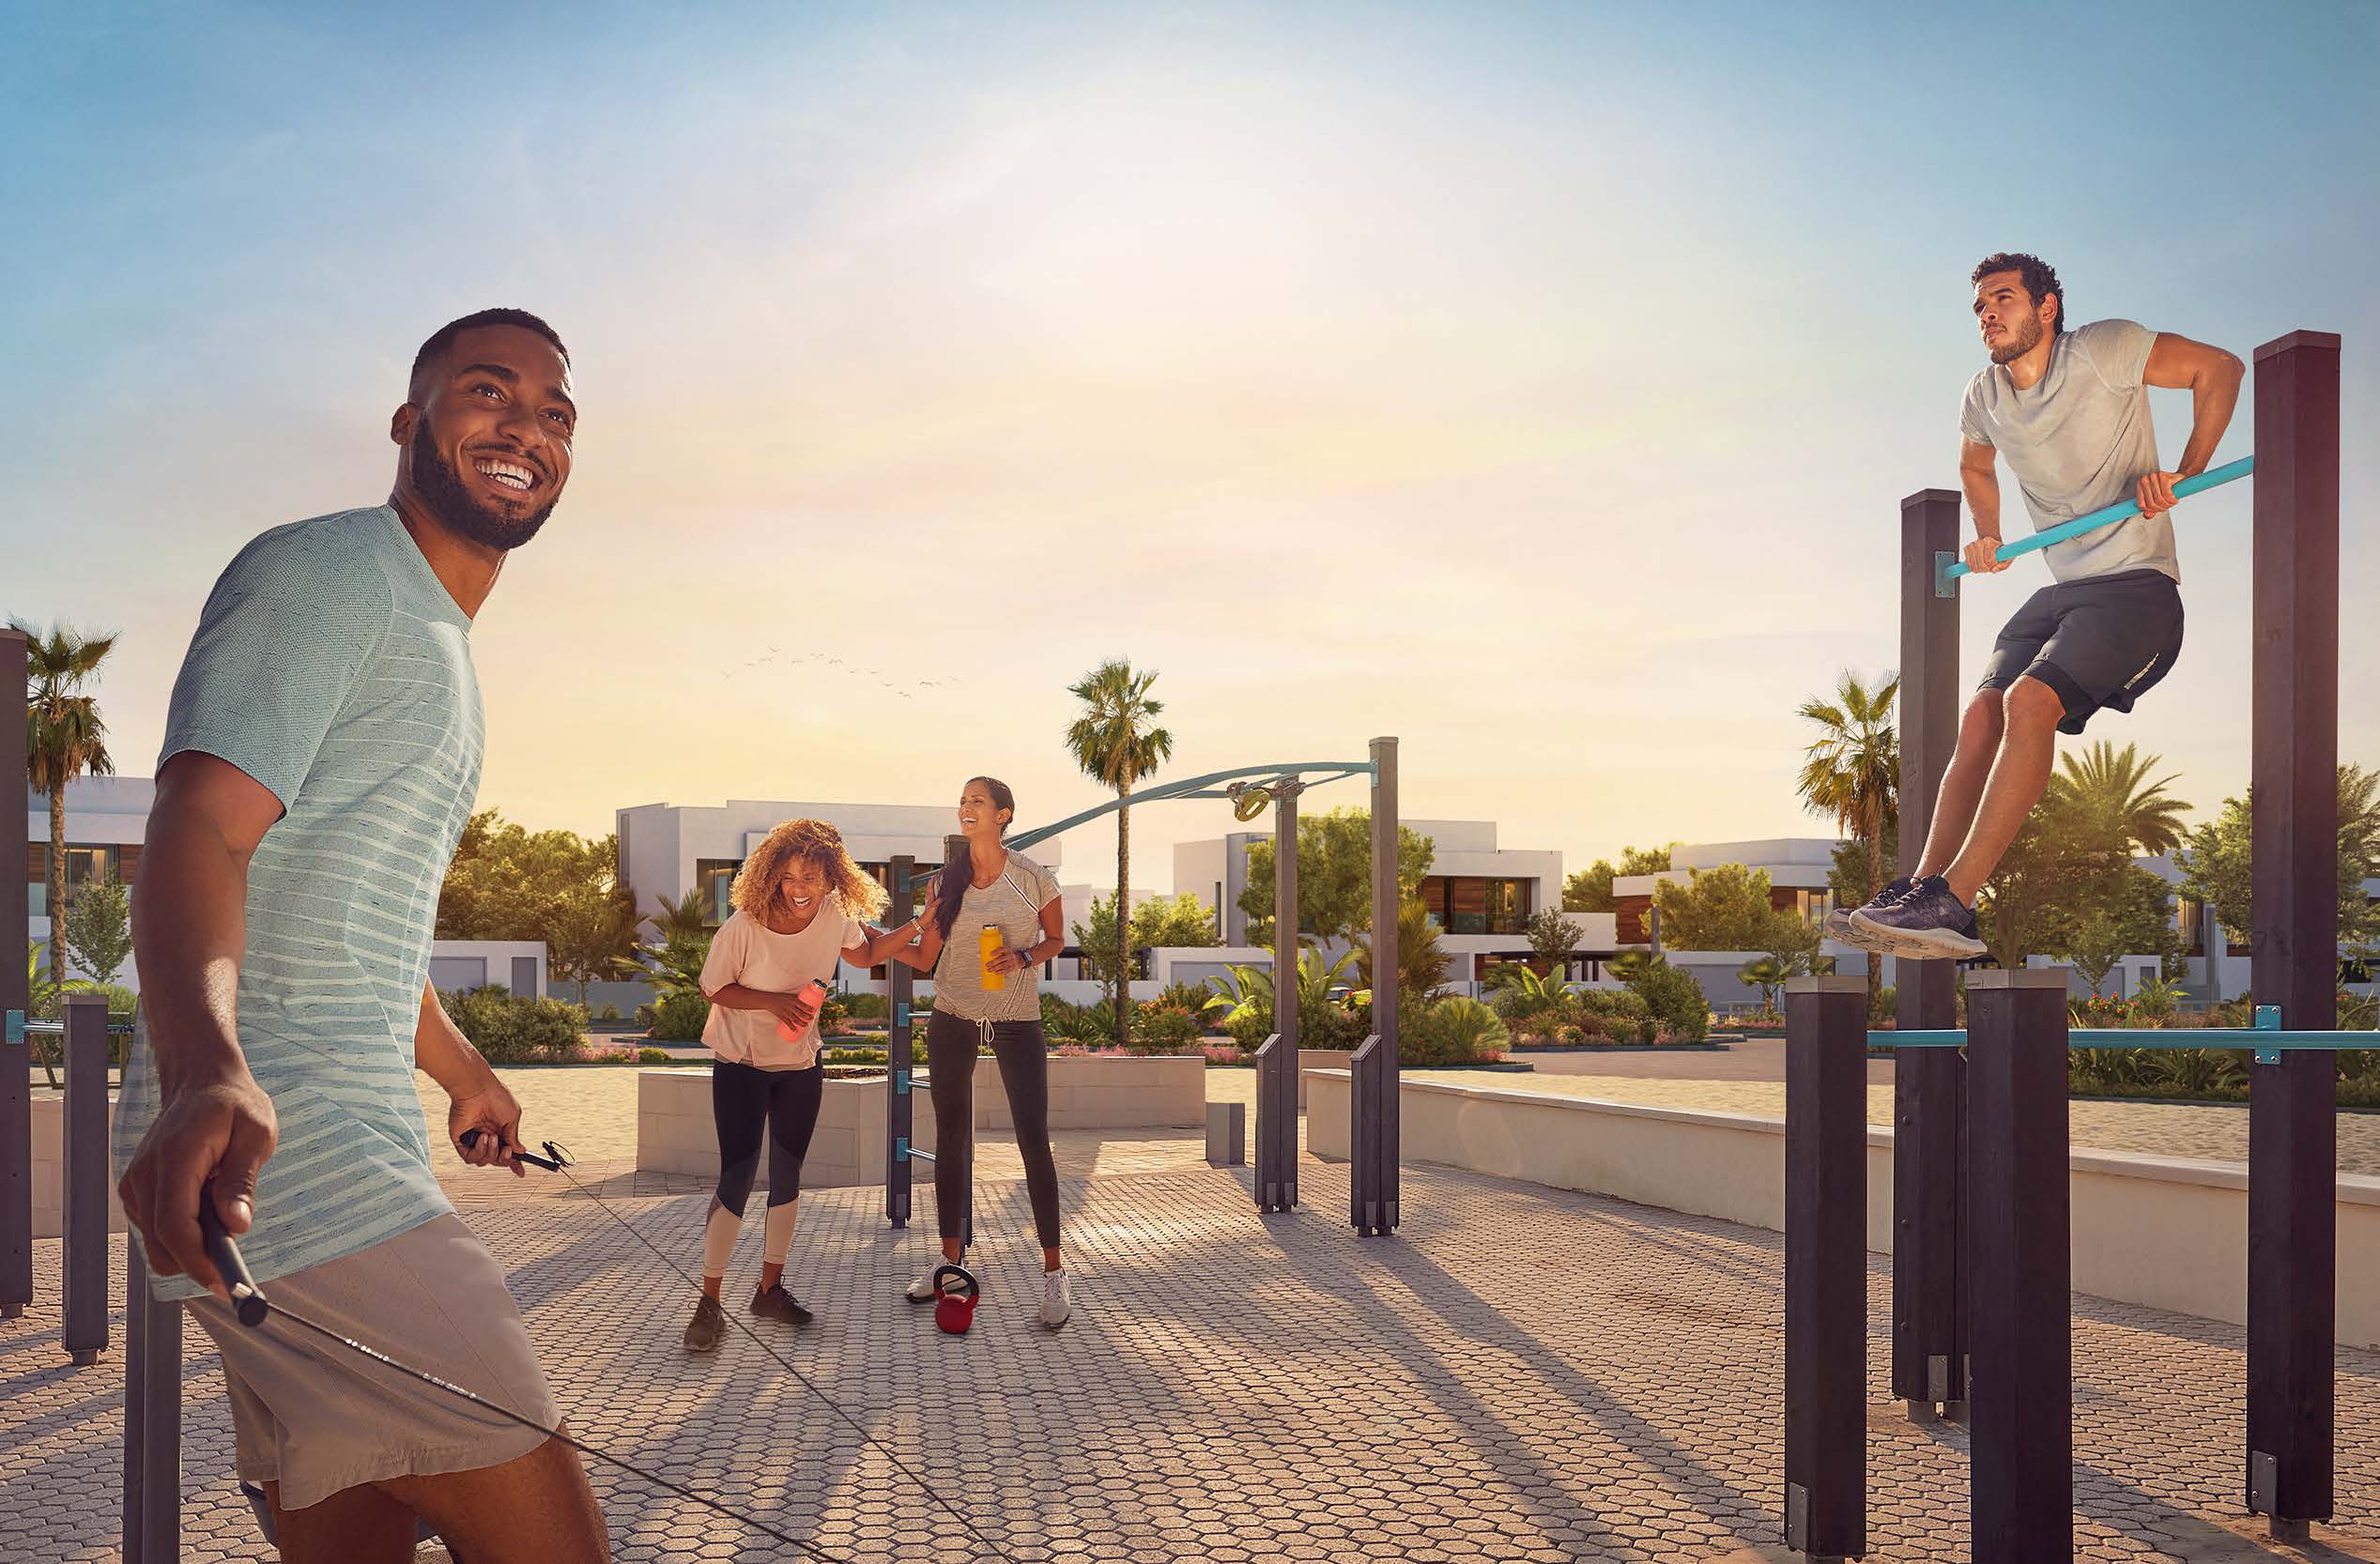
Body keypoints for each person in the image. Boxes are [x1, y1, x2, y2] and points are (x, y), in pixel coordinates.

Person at [112, 310, 611, 1561]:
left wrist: (463, 1072)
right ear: (410, 421)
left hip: (308, 1156)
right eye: (485, 391)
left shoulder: (440, 643)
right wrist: (205, 1066)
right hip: (293, 1163)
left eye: (554, 412)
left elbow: (343, 914)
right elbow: (200, 825)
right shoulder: (329, 574)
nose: (524, 426)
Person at [1842, 254, 2243, 960]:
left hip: (2136, 588)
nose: (1987, 314)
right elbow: (1974, 464)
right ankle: (1921, 886)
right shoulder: (1983, 394)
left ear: (2046, 307)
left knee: (2029, 703)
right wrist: (1989, 531)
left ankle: (1955, 902)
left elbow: (2221, 368)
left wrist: (2186, 471)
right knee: (1981, 713)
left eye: (2002, 298)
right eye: (1979, 306)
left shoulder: (2103, 349)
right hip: (2062, 589)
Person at [683, 819, 927, 1352]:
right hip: (741, 1065)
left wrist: (919, 926)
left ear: (831, 879)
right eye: (790, 875)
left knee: (788, 1173)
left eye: (811, 877)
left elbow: (863, 955)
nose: (799, 887)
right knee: (739, 1175)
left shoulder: (835, 915)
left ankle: (769, 1289)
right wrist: (772, 1001)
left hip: (799, 1065)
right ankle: (710, 1301)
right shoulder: (744, 926)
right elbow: (712, 987)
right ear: (772, 875)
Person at [887, 776, 1072, 1327]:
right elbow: (925, 958)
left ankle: (1054, 1273)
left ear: (1004, 814)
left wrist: (1023, 957)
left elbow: (1057, 940)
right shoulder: (947, 881)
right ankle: (950, 1264)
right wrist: (870, 942)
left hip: (1017, 1021)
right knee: (949, 1136)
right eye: (963, 801)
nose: (966, 808)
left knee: (1033, 1139)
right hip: (954, 1016)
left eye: (977, 801)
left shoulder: (1034, 878)